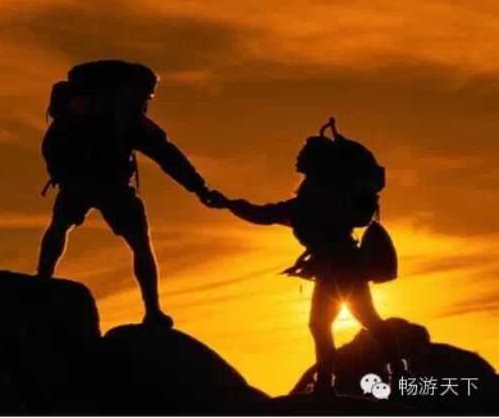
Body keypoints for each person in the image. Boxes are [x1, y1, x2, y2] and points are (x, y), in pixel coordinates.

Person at [208, 118, 407, 395]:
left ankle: (327, 383)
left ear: (315, 161)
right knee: (364, 318)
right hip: (344, 265)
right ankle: (395, 371)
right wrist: (232, 205)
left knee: (324, 323)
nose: (298, 156)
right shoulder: (321, 194)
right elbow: (273, 213)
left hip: (336, 267)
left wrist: (230, 205)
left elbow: (270, 214)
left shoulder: (316, 197)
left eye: (304, 152)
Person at [37, 60, 214, 328]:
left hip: (77, 182)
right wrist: (199, 188)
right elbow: (166, 155)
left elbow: (50, 144)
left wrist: (62, 173)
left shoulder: (78, 109)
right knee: (140, 244)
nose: (147, 100)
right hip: (112, 185)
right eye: (147, 94)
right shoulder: (127, 116)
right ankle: (153, 310)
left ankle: (42, 280)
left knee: (59, 227)